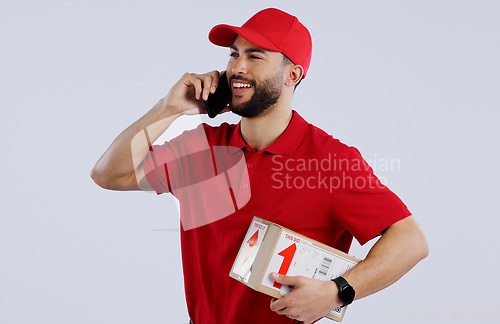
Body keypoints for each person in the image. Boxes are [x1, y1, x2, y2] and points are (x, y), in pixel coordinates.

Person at [91, 8, 428, 324]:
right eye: (234, 54)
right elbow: (109, 173)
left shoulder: (332, 161)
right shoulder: (202, 146)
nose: (237, 67)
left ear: (292, 74)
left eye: (255, 56)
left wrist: (337, 292)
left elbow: (410, 241)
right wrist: (168, 108)